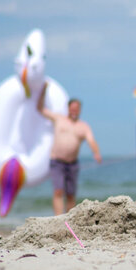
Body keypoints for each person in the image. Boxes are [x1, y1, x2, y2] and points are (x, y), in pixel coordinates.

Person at [36, 83, 102, 215]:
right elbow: (40, 109)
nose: (74, 111)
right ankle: (58, 218)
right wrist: (43, 91)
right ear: (68, 108)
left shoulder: (83, 126)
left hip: (72, 164)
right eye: (72, 109)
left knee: (71, 194)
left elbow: (91, 140)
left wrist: (96, 153)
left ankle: (69, 218)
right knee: (58, 191)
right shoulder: (59, 119)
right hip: (57, 162)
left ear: (80, 110)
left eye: (77, 109)